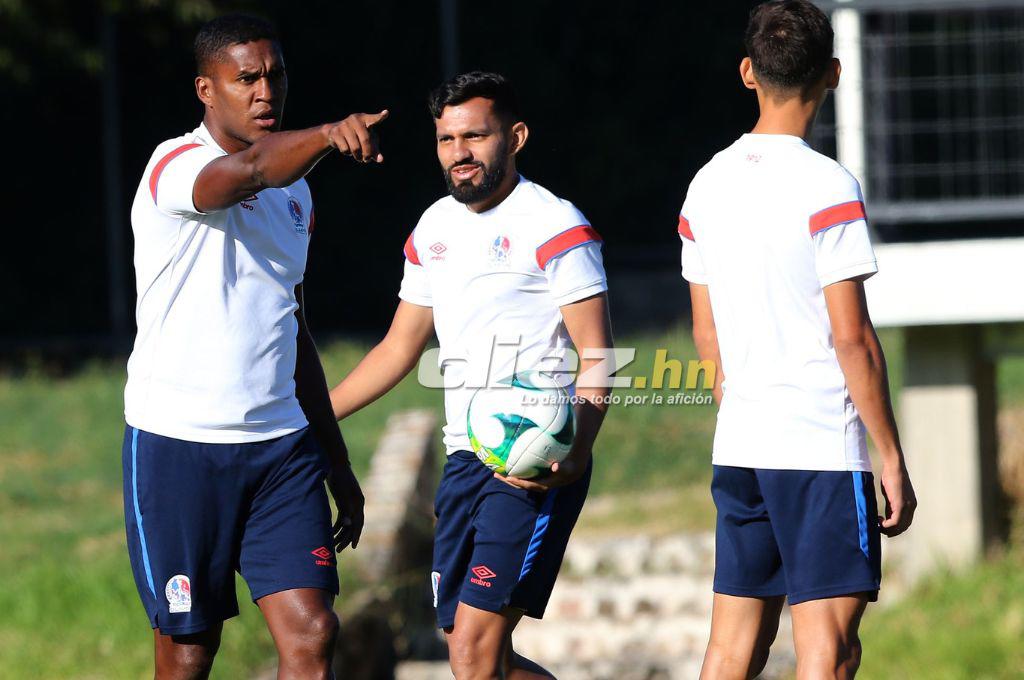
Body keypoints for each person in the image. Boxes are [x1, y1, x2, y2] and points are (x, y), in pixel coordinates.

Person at [123, 14, 385, 679]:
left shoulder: (296, 193)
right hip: (178, 446)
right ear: (206, 90)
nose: (266, 91)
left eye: (276, 75)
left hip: (281, 451)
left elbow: (292, 330)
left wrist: (338, 462)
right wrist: (328, 133)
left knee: (314, 633)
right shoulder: (175, 165)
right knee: (188, 654)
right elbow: (244, 173)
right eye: (247, 79)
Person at [329, 71, 613, 680]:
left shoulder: (556, 225)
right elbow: (399, 347)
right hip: (464, 459)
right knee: (471, 654)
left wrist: (578, 450)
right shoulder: (433, 229)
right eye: (446, 139)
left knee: (478, 650)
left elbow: (597, 354)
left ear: (516, 136)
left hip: (530, 464)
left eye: (475, 136)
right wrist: (315, 417)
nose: (459, 153)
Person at [678, 2, 918, 678]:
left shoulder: (705, 185)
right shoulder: (829, 186)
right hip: (817, 448)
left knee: (731, 651)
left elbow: (706, 334)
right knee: (829, 653)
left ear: (748, 72)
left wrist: (744, 412)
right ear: (834, 73)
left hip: (742, 449)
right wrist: (891, 457)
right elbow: (854, 341)